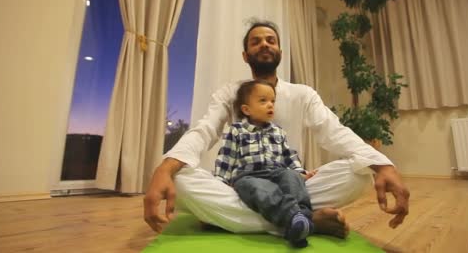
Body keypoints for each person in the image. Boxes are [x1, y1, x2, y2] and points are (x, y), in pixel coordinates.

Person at [144, 20, 410, 237]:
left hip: (291, 183)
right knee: (180, 177)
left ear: (280, 52)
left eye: (271, 40)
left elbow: (334, 131)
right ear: (246, 55)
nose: (264, 44)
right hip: (245, 184)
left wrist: (383, 165)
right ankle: (308, 221)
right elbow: (204, 130)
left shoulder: (302, 93)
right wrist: (165, 168)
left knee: (360, 172)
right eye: (256, 41)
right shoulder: (230, 92)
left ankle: (235, 220)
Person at [215, 79, 317, 247]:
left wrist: (299, 171)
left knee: (291, 177)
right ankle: (293, 217)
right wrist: (221, 181)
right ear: (246, 109)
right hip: (249, 175)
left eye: (272, 101)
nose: (270, 105)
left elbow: (288, 155)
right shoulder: (237, 130)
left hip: (277, 171)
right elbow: (227, 157)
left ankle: (302, 219)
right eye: (263, 101)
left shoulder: (278, 131)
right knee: (259, 189)